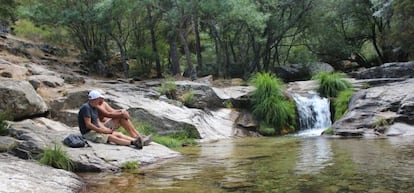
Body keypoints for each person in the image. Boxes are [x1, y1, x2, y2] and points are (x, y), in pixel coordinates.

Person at [78, 90, 143, 149]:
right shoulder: (86, 108)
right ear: (95, 99)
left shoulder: (94, 107)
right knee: (110, 137)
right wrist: (102, 131)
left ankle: (136, 140)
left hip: (95, 130)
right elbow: (88, 124)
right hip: (88, 133)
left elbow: (97, 121)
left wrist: (105, 129)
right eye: (99, 99)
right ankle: (133, 143)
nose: (100, 100)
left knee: (118, 134)